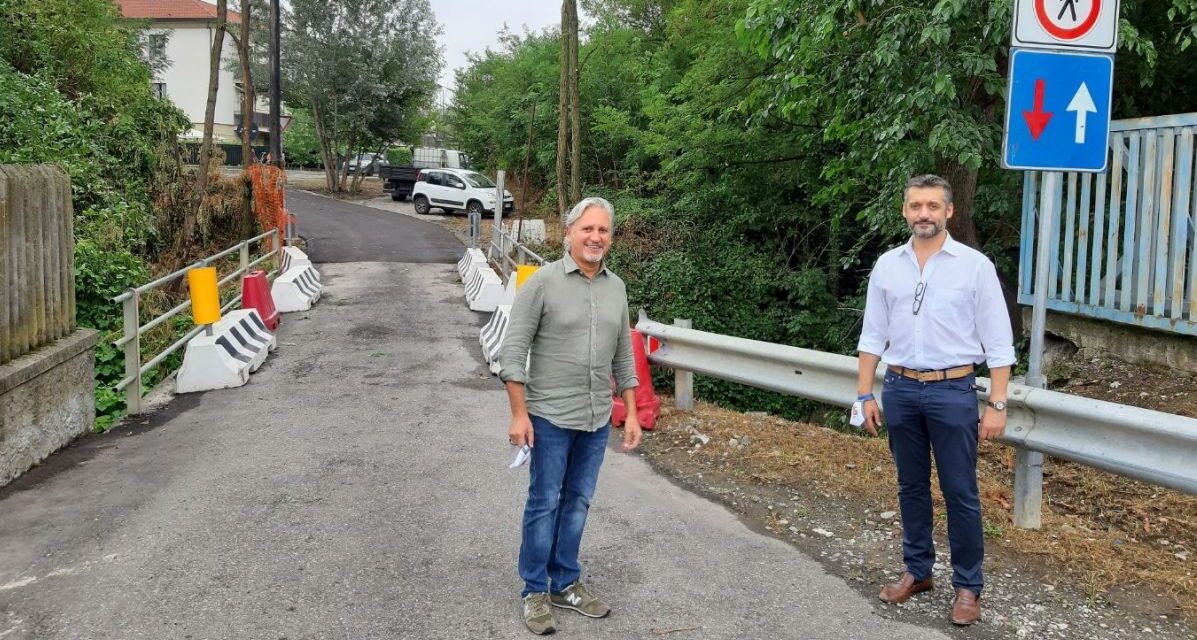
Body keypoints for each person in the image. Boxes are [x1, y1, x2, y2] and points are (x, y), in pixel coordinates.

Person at [855, 174, 1014, 626]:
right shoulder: (887, 265)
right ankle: (917, 571)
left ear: (949, 212)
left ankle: (967, 587)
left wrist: (997, 403)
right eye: (915, 205)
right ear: (905, 211)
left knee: (960, 491)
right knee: (910, 486)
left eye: (932, 206)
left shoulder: (974, 266)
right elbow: (872, 335)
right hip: (901, 389)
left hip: (953, 390)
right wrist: (864, 392)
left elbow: (999, 342)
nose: (923, 213)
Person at [499, 196, 642, 635]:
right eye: (587, 229)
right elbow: (512, 351)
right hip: (549, 417)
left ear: (611, 238)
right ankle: (534, 591)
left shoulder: (616, 288)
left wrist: (631, 413)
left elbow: (624, 357)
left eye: (603, 230)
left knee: (578, 502)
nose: (595, 237)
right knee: (545, 502)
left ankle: (564, 582)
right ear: (569, 233)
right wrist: (518, 415)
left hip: (597, 418)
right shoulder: (542, 283)